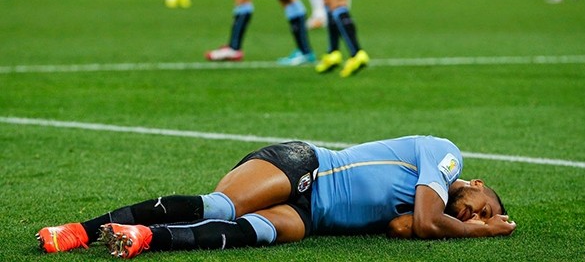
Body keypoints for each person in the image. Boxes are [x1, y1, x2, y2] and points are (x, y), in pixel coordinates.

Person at [36, 135, 516, 258]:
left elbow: (404, 227)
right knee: (221, 206)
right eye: (484, 209)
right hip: (305, 166)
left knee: (252, 233)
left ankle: (143, 237)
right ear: (476, 184)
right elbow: (428, 223)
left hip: (311, 217)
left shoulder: (425, 202)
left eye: (481, 218)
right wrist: (483, 230)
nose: (475, 214)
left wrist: (460, 225)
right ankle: (80, 231)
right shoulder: (446, 156)